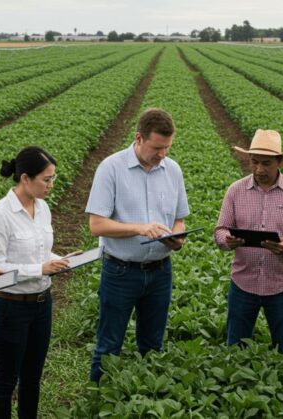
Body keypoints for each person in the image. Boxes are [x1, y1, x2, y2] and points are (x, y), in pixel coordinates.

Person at [85, 108, 190, 383]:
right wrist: (139, 228)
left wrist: (177, 237)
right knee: (108, 346)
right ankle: (98, 400)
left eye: (167, 147)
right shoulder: (111, 168)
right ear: (139, 138)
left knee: (153, 345)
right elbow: (97, 225)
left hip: (160, 271)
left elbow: (179, 219)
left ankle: (146, 399)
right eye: (157, 147)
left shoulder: (173, 170)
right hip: (121, 272)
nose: (162, 154)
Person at [0, 146, 71, 418]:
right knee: (6, 380)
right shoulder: (0, 215)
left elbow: (41, 253)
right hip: (11, 307)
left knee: (32, 378)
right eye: (47, 179)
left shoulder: (43, 208)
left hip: (42, 303)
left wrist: (63, 260)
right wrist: (40, 268)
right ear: (24, 178)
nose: (51, 185)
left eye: (53, 178)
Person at [214, 129, 283, 363]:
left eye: (267, 163)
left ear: (280, 162)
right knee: (236, 350)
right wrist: (227, 241)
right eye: (255, 162)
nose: (259, 169)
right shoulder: (235, 190)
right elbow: (220, 230)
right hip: (243, 283)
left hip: (281, 285)